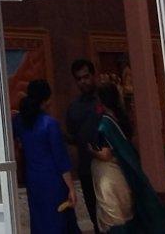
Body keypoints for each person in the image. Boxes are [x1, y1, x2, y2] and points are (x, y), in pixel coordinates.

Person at [87, 85, 165, 233]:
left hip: (110, 176)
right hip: (123, 173)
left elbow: (106, 154)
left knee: (114, 217)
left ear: (101, 101)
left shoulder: (105, 124)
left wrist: (91, 151)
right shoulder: (120, 119)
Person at [12, 79, 80, 234]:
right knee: (60, 222)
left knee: (40, 221)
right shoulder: (50, 124)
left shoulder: (19, 122)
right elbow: (61, 159)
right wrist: (71, 188)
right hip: (54, 181)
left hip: (34, 181)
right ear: (45, 100)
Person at [64, 59, 104, 232]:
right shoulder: (74, 107)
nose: (83, 82)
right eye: (79, 79)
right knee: (95, 214)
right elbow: (73, 136)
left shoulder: (105, 99)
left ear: (93, 75)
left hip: (109, 165)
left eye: (86, 77)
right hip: (87, 168)